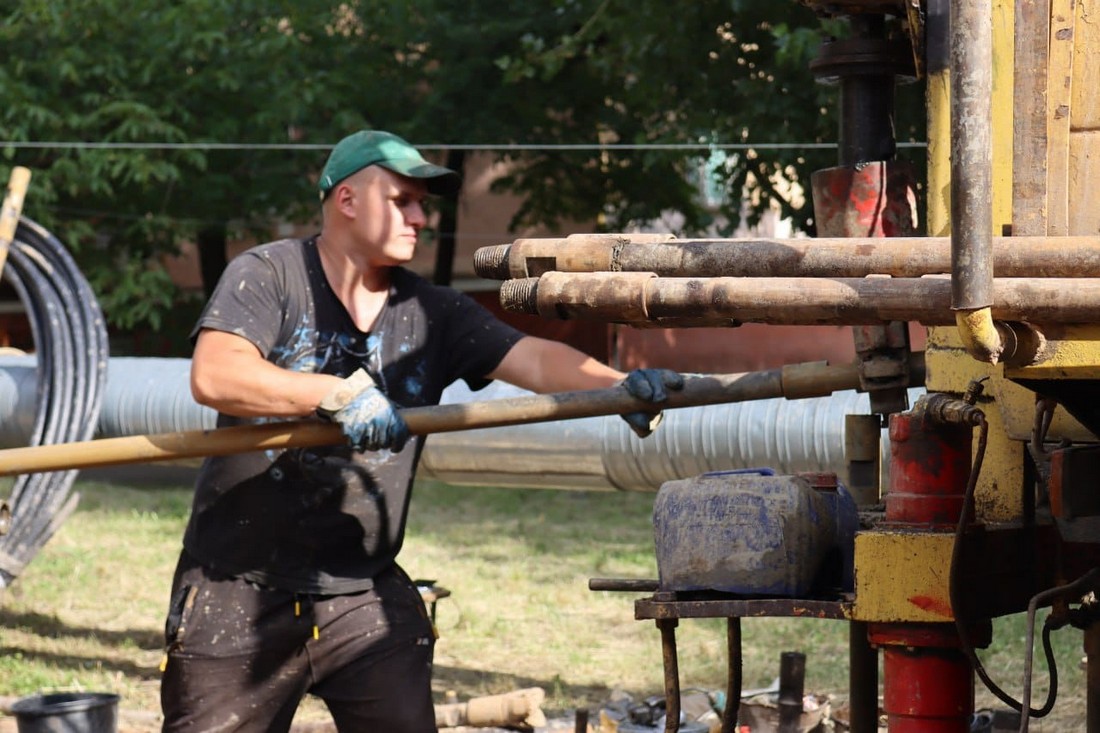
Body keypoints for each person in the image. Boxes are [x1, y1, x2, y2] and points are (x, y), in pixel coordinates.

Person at [159, 129, 683, 733]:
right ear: (347, 200)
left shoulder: (433, 314)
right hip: (237, 590)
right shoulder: (270, 275)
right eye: (401, 200)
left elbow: (532, 358)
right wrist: (331, 394)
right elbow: (217, 374)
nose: (419, 217)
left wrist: (617, 385)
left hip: (359, 592)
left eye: (422, 205)